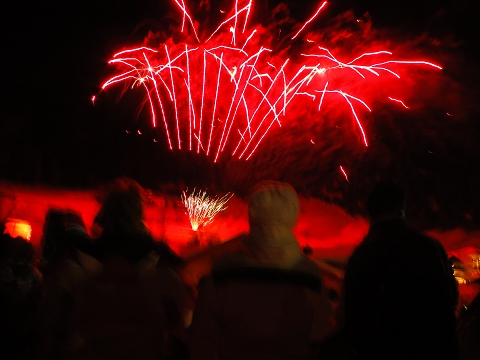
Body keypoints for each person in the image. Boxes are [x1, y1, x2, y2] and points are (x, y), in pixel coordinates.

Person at [189, 181, 333, 360]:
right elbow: (321, 329)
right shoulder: (309, 273)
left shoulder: (225, 270)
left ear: (253, 215)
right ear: (292, 216)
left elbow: (203, 328)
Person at [60, 177, 190, 360]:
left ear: (104, 212)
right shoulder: (162, 263)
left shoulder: (78, 261)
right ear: (139, 211)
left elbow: (57, 328)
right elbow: (177, 329)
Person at [341, 181, 458, 360]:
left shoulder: (364, 255)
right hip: (435, 349)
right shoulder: (431, 248)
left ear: (370, 214)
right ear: (402, 209)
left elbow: (354, 316)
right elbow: (450, 297)